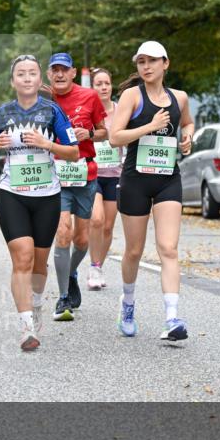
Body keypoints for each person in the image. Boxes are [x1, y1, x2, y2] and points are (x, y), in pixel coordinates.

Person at [0, 54, 79, 351]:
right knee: (21, 257)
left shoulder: (52, 112)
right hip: (12, 194)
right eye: (20, 74)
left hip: (47, 196)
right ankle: (26, 327)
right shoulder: (2, 113)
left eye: (32, 73)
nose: (26, 78)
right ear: (13, 81)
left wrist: (47, 144)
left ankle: (36, 304)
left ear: (40, 80)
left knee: (39, 263)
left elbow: (74, 152)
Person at [109, 40, 194, 341]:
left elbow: (188, 123)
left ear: (165, 63)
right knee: (133, 250)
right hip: (135, 179)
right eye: (141, 62)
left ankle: (172, 318)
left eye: (152, 61)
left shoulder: (180, 97)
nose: (146, 67)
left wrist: (187, 138)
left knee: (168, 248)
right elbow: (114, 138)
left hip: (168, 178)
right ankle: (128, 302)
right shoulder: (132, 96)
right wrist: (149, 126)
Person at [47, 53, 107, 321]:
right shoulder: (44, 100)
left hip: (85, 173)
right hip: (56, 175)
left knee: (81, 240)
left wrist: (90, 134)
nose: (59, 74)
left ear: (73, 73)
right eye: (54, 70)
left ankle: (71, 273)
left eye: (64, 70)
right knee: (63, 233)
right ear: (49, 74)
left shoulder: (89, 97)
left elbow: (106, 132)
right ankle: (62, 298)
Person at [87, 69, 140, 289]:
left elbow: (128, 137)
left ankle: (98, 266)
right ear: (93, 87)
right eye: (98, 84)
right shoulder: (88, 111)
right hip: (93, 174)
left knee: (108, 227)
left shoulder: (120, 110)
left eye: (107, 83)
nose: (103, 87)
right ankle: (93, 265)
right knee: (97, 219)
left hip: (115, 174)